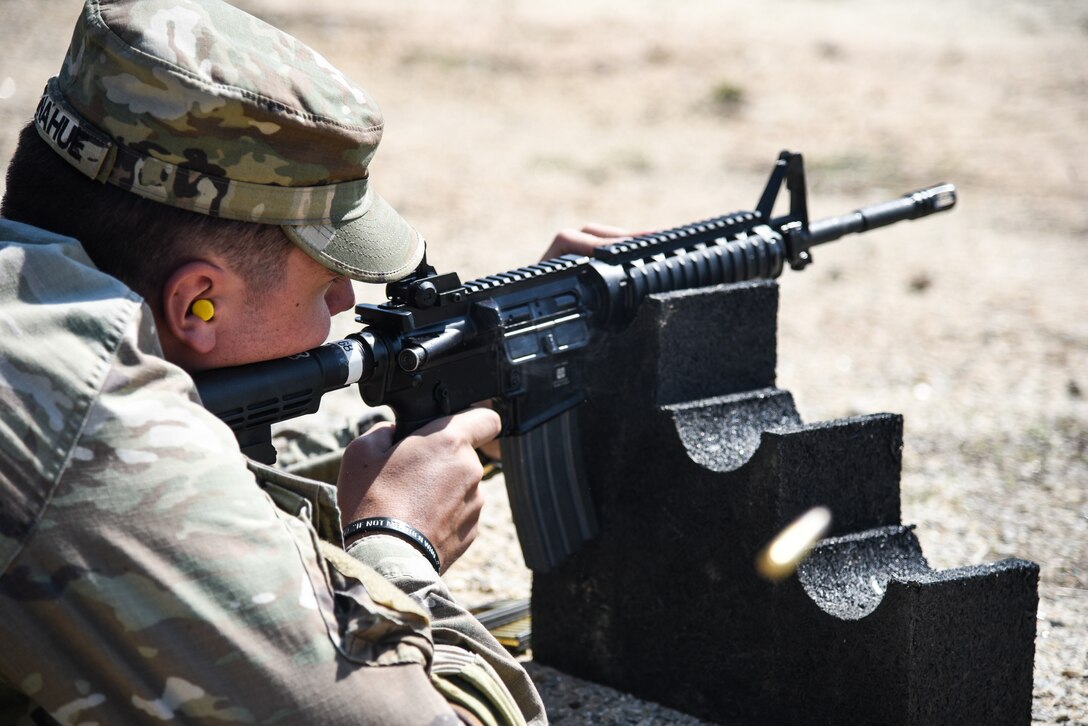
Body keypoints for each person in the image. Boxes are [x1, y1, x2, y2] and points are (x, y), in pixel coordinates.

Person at [0, 0, 624, 723]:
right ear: (196, 302)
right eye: (325, 274)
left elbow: (200, 462)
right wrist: (398, 547)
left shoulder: (39, 324)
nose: (345, 299)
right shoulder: (93, 429)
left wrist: (488, 368)